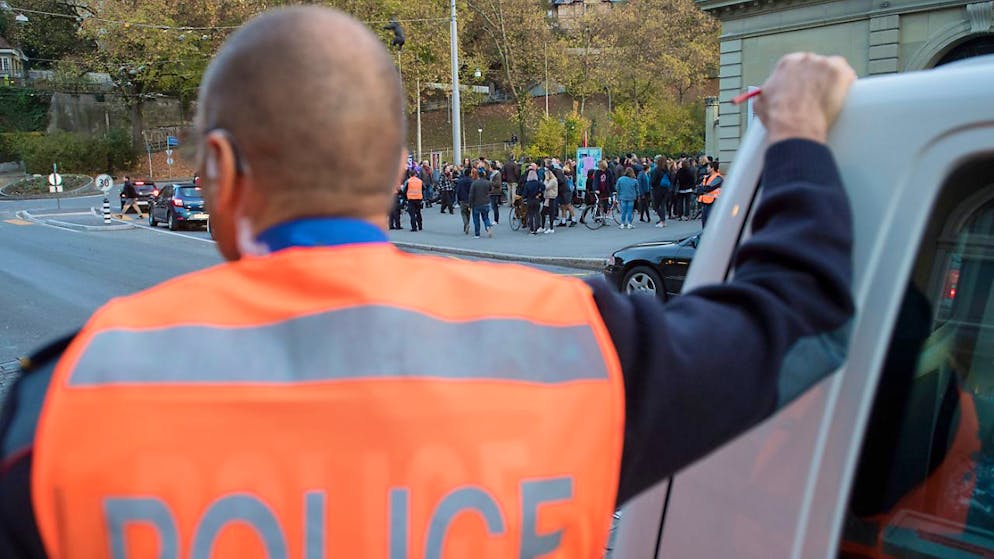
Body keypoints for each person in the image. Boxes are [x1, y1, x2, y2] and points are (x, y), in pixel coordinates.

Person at [0, 8, 856, 553]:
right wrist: (797, 134)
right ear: (402, 171)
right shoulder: (574, 346)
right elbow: (802, 316)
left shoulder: (73, 398)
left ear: (219, 171)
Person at [468, 168, 494, 238]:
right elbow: (491, 190)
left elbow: (471, 195)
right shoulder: (488, 182)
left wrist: (470, 205)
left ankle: (477, 234)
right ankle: (488, 226)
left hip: (476, 203)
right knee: (485, 217)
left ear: (478, 175)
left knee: (476, 219)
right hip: (486, 202)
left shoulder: (474, 183)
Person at [697, 161, 723, 228]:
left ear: (712, 168)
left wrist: (701, 189)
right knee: (705, 223)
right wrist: (701, 189)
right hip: (705, 202)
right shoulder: (707, 177)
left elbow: (708, 188)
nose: (707, 168)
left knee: (709, 223)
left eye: (708, 167)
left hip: (713, 203)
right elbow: (699, 188)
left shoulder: (718, 178)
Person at [650, 156, 671, 228]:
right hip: (666, 189)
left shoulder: (657, 170)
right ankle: (663, 220)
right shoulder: (667, 170)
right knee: (662, 205)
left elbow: (653, 181)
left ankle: (662, 220)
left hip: (658, 189)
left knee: (657, 205)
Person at [522, 168, 544, 235]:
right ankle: (536, 228)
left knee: (530, 214)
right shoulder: (538, 183)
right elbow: (544, 187)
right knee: (537, 214)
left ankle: (531, 229)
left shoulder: (527, 184)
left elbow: (524, 194)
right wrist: (539, 193)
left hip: (530, 200)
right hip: (536, 200)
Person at [541, 166, 558, 234]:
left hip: (551, 197)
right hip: (547, 197)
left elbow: (546, 187)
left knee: (551, 213)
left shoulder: (553, 180)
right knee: (543, 213)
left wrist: (546, 179)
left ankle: (551, 228)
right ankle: (543, 227)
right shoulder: (551, 180)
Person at [455, 167, 472, 235]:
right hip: (469, 200)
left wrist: (458, 199)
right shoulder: (471, 181)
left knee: (463, 212)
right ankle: (467, 224)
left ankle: (466, 224)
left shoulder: (460, 181)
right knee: (468, 213)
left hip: (462, 199)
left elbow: (458, 191)